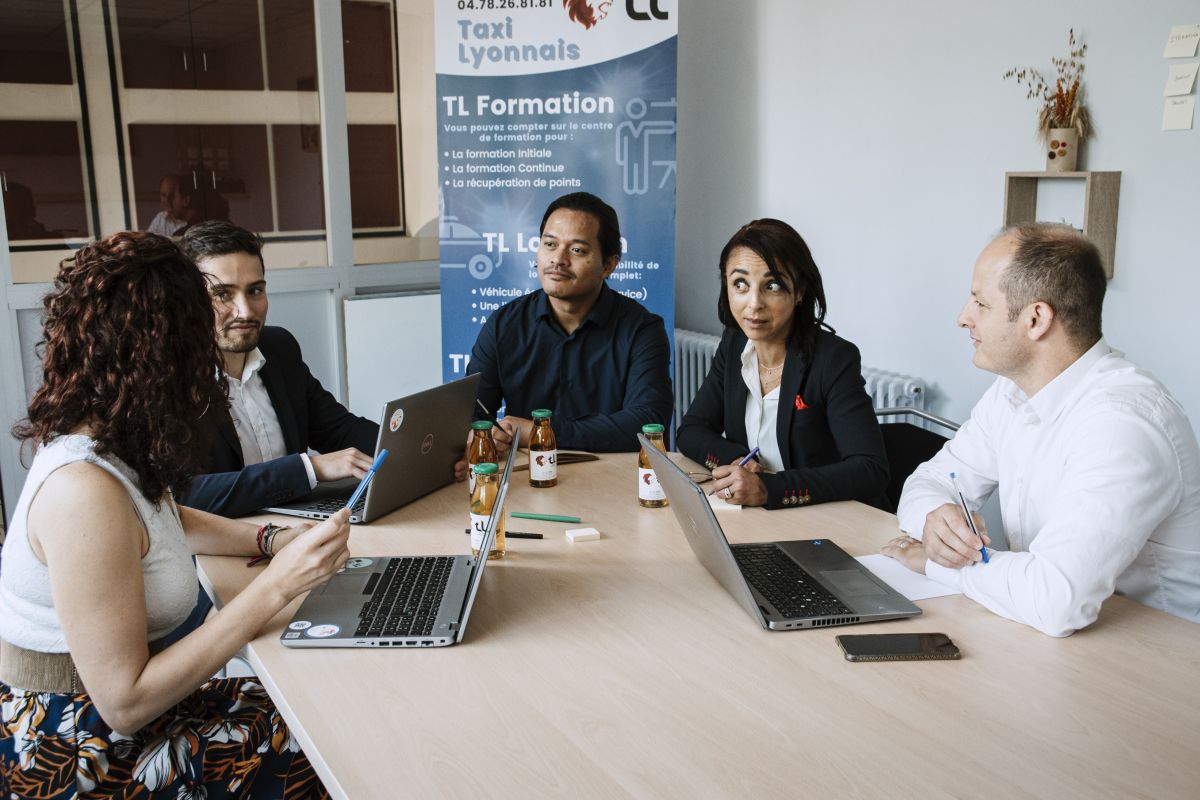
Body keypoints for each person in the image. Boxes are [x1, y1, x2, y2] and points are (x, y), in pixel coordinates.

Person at [0, 231, 346, 797]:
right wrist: (275, 588)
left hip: (113, 716)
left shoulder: (105, 437)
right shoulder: (81, 489)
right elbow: (125, 703)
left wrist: (270, 538)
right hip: (79, 746)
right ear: (158, 358)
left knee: (319, 703)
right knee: (324, 747)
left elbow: (163, 516)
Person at [884, 224, 1200, 636]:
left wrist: (932, 563)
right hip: (1045, 637)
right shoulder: (1011, 394)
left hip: (1152, 661)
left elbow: (1056, 599)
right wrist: (934, 518)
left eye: (981, 303)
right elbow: (928, 480)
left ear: (1036, 319)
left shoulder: (1123, 424)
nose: (963, 318)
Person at [676, 218, 889, 510]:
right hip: (760, 519)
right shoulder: (734, 343)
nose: (754, 303)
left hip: (831, 521)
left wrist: (768, 489)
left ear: (799, 290)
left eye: (772, 285)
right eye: (740, 284)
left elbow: (870, 470)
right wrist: (737, 461)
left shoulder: (833, 359)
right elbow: (691, 430)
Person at [176, 220, 379, 519]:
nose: (245, 311)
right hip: (224, 549)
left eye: (255, 290)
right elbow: (184, 495)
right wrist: (310, 468)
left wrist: (420, 448)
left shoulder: (279, 348)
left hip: (298, 531)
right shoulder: (169, 376)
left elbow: (340, 431)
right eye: (222, 294)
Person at [463, 191, 672, 455]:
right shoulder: (504, 324)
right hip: (526, 475)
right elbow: (471, 412)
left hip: (610, 477)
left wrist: (542, 432)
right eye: (550, 245)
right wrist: (484, 433)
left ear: (608, 265)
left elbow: (648, 423)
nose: (558, 260)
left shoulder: (642, 330)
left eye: (577, 250)